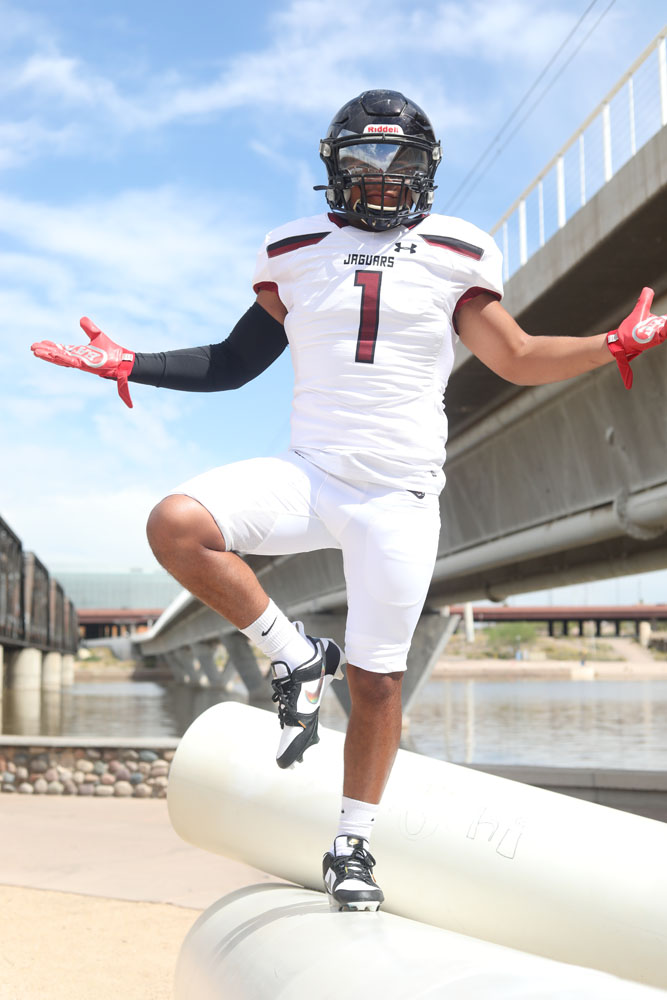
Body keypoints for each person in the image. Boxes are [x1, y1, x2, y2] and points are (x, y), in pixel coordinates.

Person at [31, 89, 667, 912]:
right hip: (309, 474)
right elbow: (232, 363)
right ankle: (291, 651)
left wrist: (607, 344)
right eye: (363, 162)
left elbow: (512, 356)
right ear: (334, 170)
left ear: (424, 170)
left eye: (398, 162)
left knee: (374, 684)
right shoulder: (292, 249)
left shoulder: (458, 251)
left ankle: (351, 843)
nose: (379, 179)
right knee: (177, 524)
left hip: (397, 495)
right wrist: (132, 364)